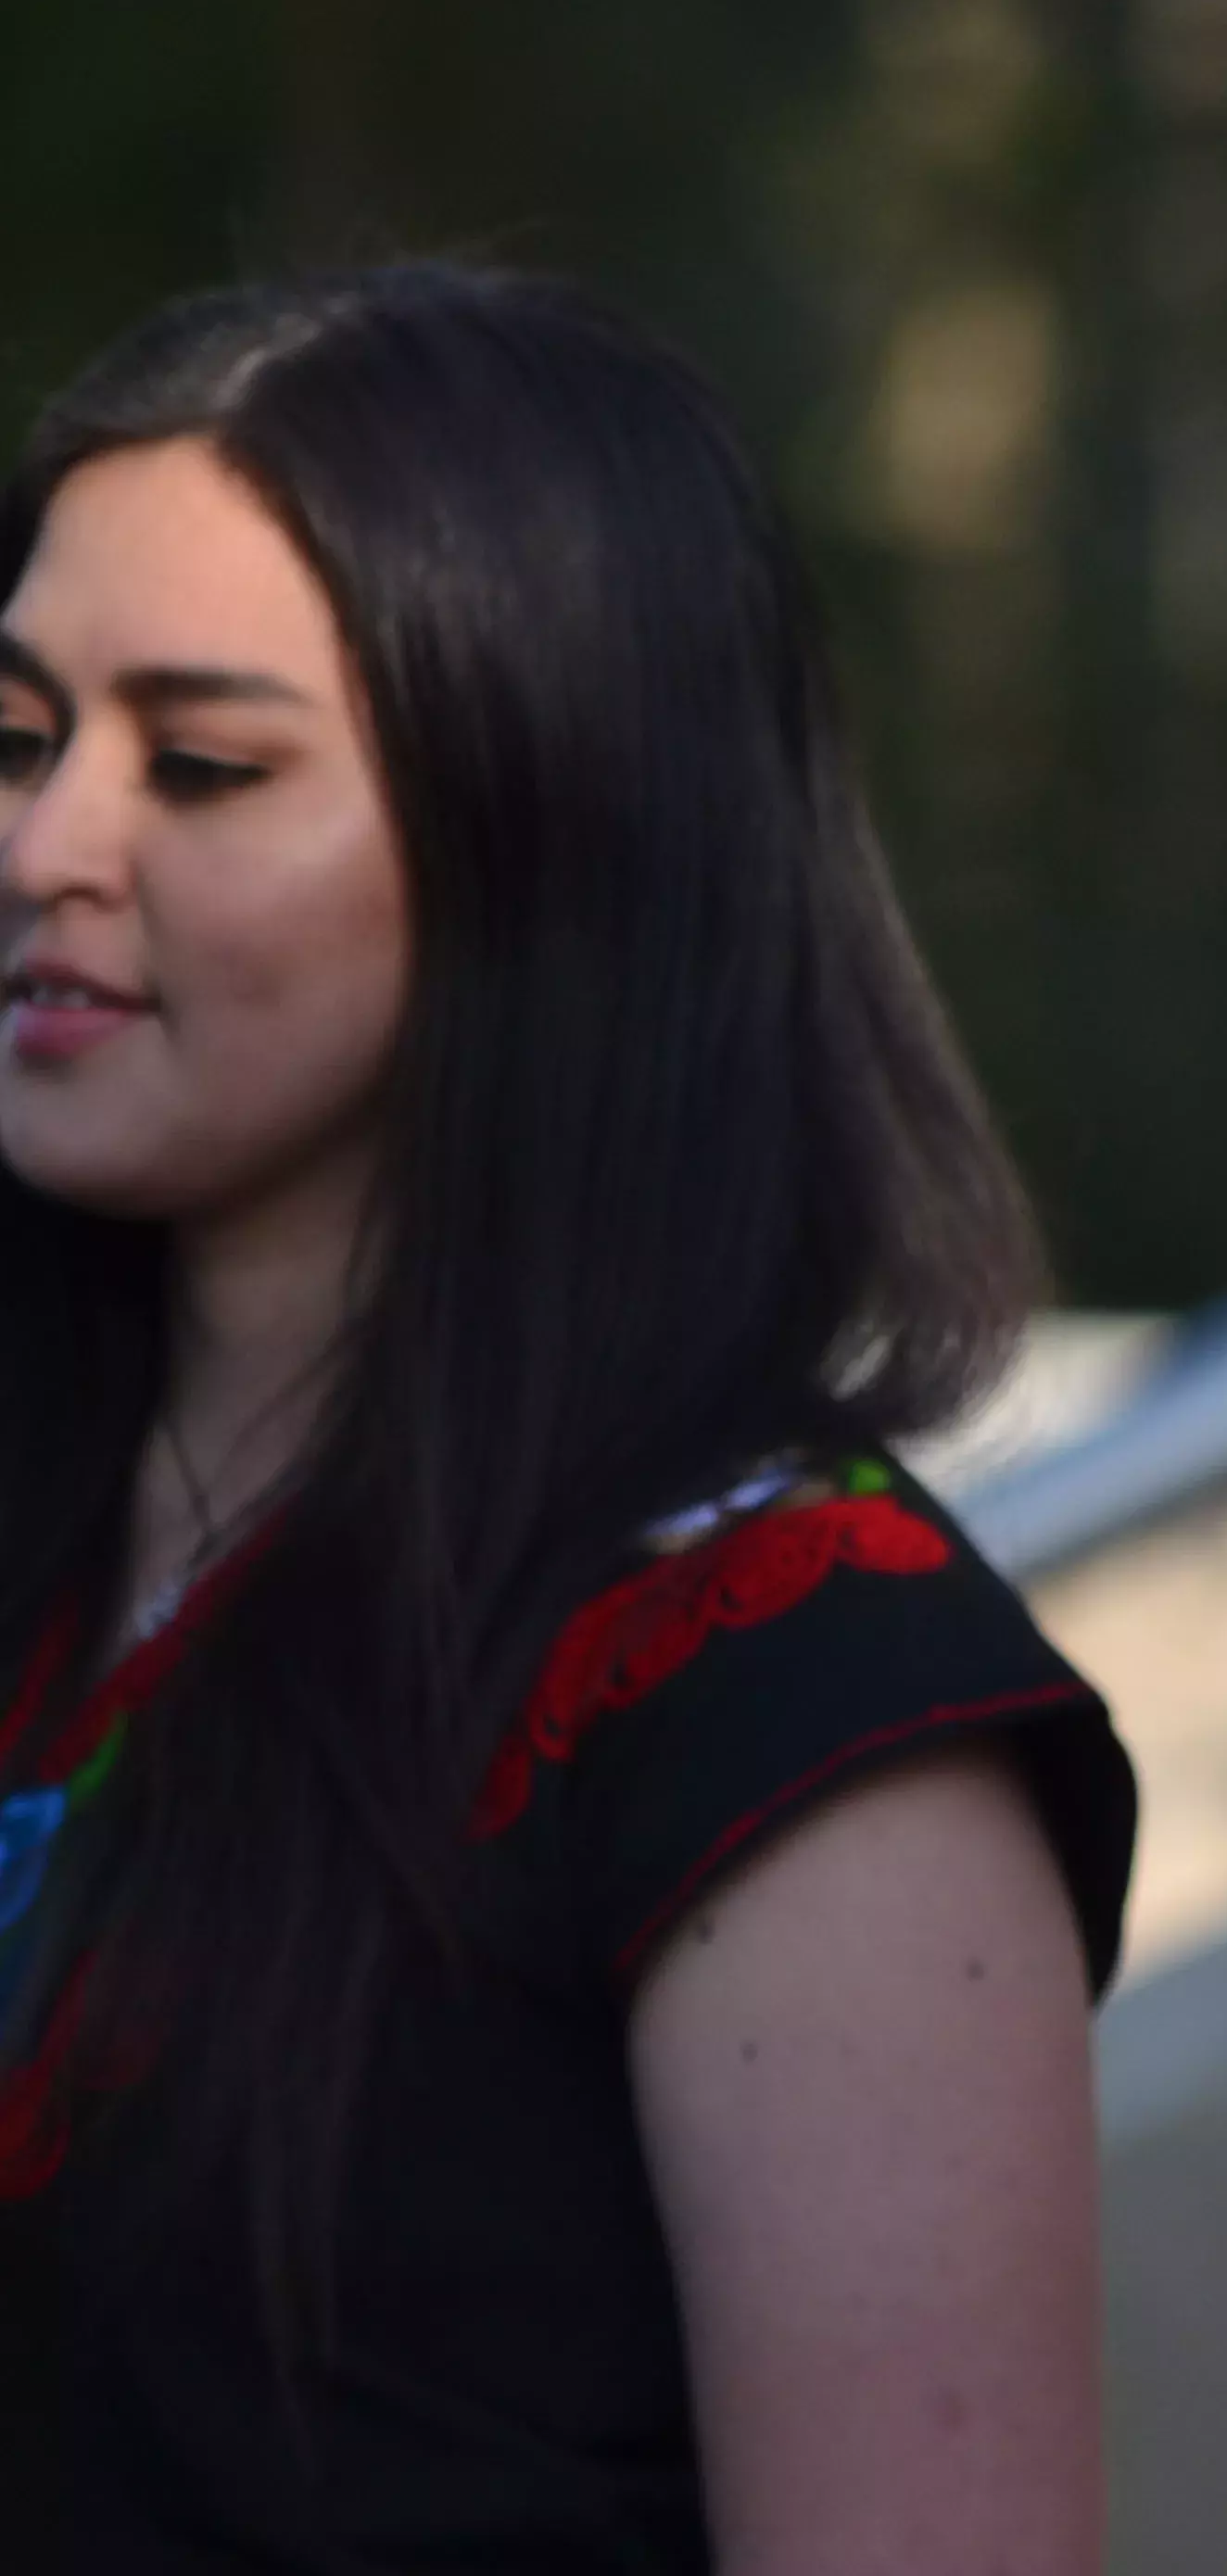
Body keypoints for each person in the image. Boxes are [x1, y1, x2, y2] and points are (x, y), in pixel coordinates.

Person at [0, 264, 1134, 2570]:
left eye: (200, 766)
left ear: (554, 839)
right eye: (18, 736)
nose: (46, 848)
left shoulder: (795, 1684)